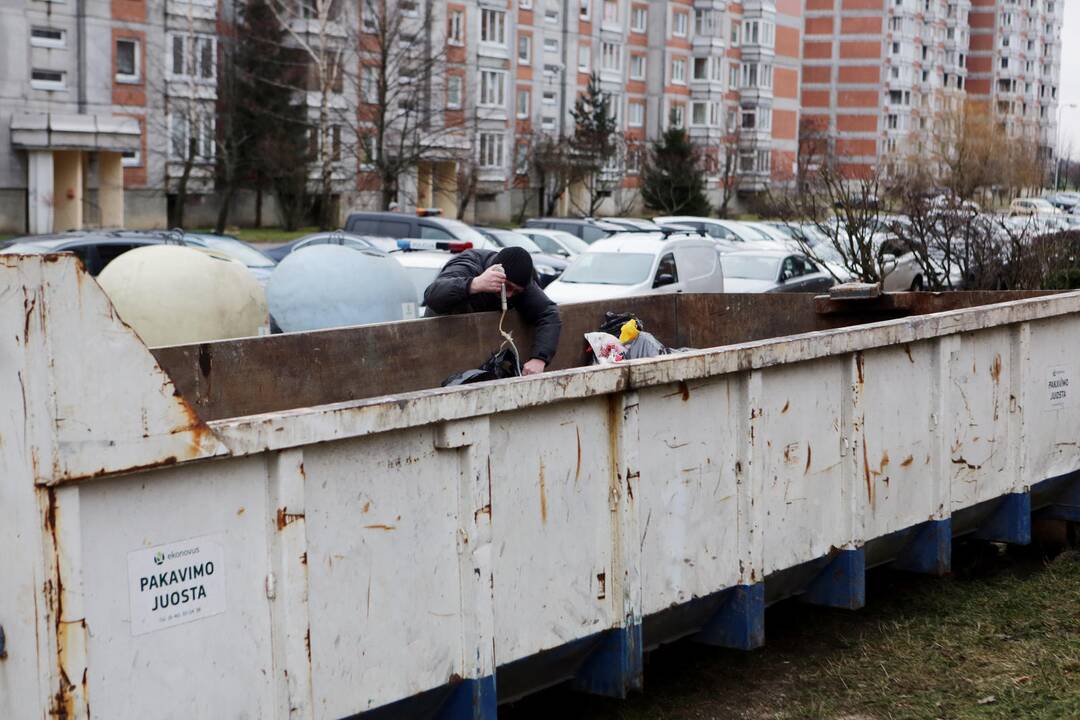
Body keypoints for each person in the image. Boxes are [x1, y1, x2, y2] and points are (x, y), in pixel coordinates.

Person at [423, 246, 561, 376]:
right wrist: (475, 284)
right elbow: (432, 295)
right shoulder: (467, 265)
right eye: (506, 286)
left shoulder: (521, 284)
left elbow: (548, 314)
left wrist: (540, 358)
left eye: (516, 291)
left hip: (485, 348)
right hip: (444, 344)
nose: (509, 295)